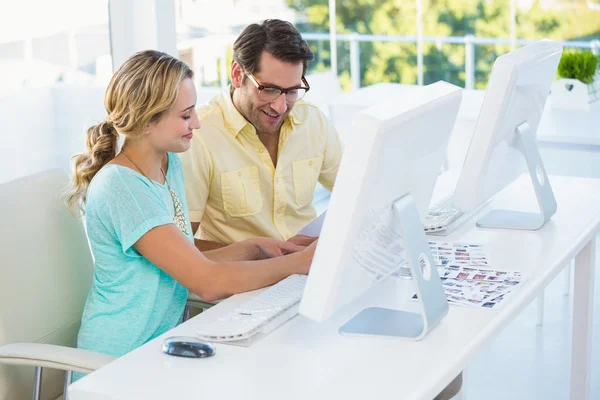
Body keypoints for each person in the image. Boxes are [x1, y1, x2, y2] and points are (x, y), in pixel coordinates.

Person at [66, 49, 316, 362]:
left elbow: (186, 256)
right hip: (117, 361)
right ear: (147, 120)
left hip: (162, 350)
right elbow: (206, 282)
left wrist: (255, 248)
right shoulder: (122, 187)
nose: (196, 123)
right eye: (185, 115)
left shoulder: (168, 165)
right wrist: (299, 263)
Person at [180, 19, 343, 251]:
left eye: (291, 91)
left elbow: (357, 193)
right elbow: (182, 248)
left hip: (306, 270)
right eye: (269, 89)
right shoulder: (199, 136)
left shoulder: (313, 122)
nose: (280, 106)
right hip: (244, 282)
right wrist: (261, 255)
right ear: (237, 75)